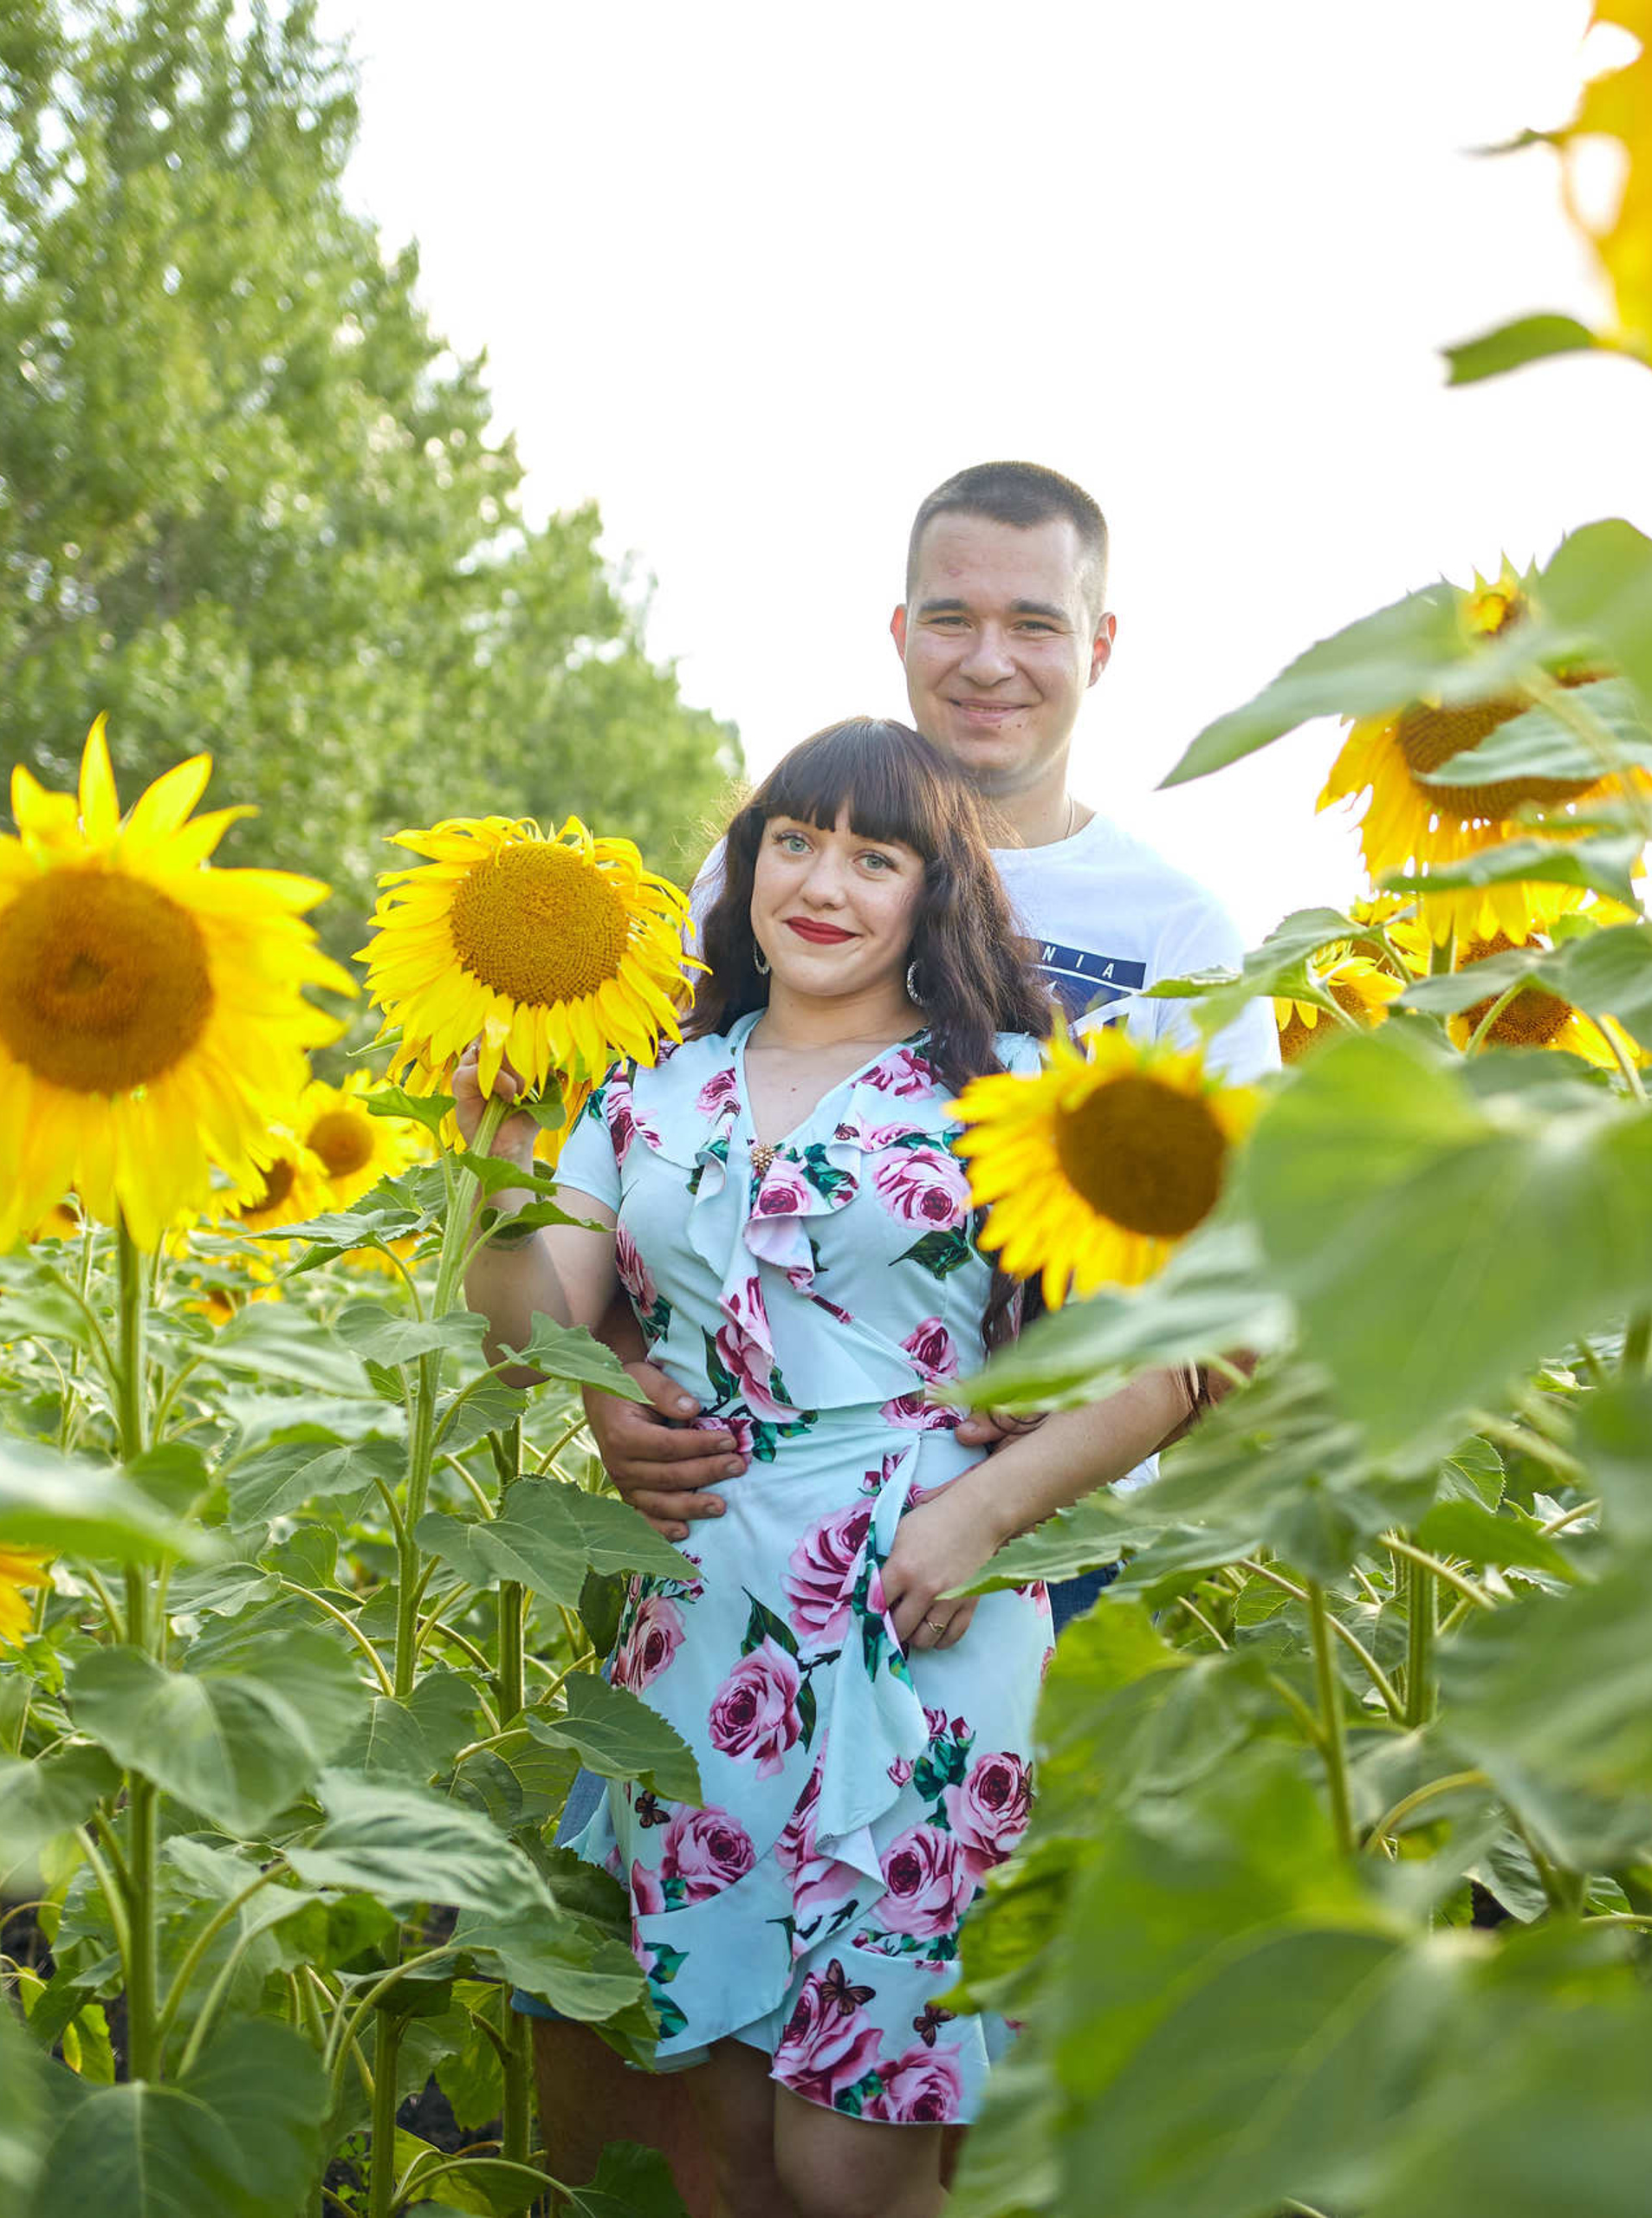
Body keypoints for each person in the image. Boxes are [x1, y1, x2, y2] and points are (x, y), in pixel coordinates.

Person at [529, 464, 1279, 2189]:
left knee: (914, 2087)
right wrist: (612, 1393)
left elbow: (1218, 1308)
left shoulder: (1175, 934)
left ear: (1098, 643)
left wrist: (1006, 1471)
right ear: (897, 626)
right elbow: (666, 1180)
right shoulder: (767, 855)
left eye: (1031, 618)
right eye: (950, 612)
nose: (986, 654)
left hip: (1024, 1555)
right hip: (726, 1552)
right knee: (690, 2056)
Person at [457, 720, 1188, 2218]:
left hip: (926, 1618)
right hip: (705, 1623)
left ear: (937, 894)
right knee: (719, 2143)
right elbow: (537, 1338)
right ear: (750, 868)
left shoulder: (1021, 1092)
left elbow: (1162, 1372)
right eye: (796, 841)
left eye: (876, 855)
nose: (825, 884)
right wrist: (496, 1175)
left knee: (856, 2161)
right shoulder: (649, 1094)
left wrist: (985, 1513)